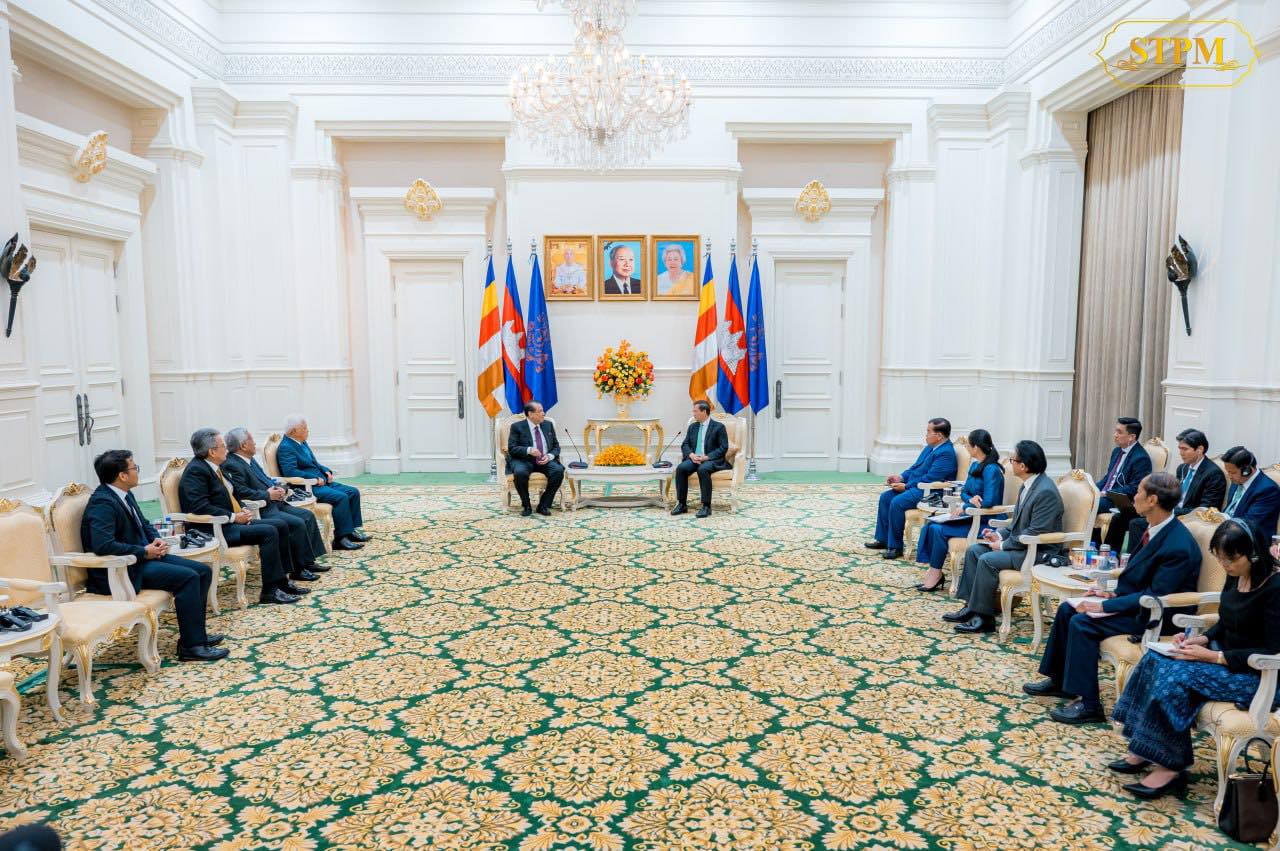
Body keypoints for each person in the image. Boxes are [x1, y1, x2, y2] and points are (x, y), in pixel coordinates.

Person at [1109, 519, 1280, 799]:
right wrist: (1202, 639)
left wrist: (1215, 656)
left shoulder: (1275, 588)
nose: (1224, 565)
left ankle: (1170, 766)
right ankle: (1145, 747)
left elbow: (1273, 651)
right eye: (1220, 558)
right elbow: (1227, 620)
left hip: (1258, 676)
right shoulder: (1237, 574)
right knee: (1154, 660)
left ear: (1254, 554)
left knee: (1175, 677)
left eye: (1231, 559)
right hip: (1226, 660)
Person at [1024, 472, 1201, 724]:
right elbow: (1140, 578)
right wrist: (1111, 593)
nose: (1133, 497)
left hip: (1156, 617)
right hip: (1137, 603)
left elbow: (1155, 596)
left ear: (1152, 500)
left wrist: (1105, 605)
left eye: (1138, 492)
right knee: (1066, 610)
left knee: (1082, 623)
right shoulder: (1154, 528)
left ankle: (1090, 705)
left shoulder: (1178, 545)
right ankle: (1061, 682)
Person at [81, 450, 228, 662]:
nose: (137, 472)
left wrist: (156, 540)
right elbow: (103, 545)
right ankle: (191, 647)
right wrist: (143, 551)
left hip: (142, 559)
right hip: (122, 570)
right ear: (122, 475)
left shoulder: (124, 494)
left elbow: (144, 524)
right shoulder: (102, 503)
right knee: (188, 578)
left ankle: (196, 635)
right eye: (134, 468)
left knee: (203, 571)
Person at [946, 440, 1063, 634]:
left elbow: (1034, 534)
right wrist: (997, 534)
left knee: (987, 560)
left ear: (1023, 466)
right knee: (974, 550)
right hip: (1022, 546)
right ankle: (971, 607)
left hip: (1037, 552)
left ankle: (984, 618)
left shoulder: (1045, 492)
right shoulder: (1028, 485)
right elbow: (1017, 524)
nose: (1011, 463)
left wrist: (1002, 545)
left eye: (1013, 460)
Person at [177, 428, 302, 605]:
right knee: (269, 531)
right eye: (222, 446)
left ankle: (282, 582)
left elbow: (231, 495)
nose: (226, 449)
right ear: (212, 451)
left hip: (230, 523)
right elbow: (199, 507)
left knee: (280, 525)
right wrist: (234, 517)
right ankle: (270, 591)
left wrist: (242, 510)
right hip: (214, 529)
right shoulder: (196, 471)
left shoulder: (213, 467)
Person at [223, 427, 328, 581]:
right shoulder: (232, 464)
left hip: (275, 503)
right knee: (297, 523)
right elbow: (241, 491)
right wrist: (267, 495)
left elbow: (265, 479)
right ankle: (297, 570)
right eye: (252, 440)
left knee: (307, 515)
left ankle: (308, 562)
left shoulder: (249, 459)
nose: (254, 443)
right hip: (262, 509)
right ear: (243, 445)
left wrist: (279, 488)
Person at [913, 429, 1005, 592]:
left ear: (975, 447)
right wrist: (971, 499)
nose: (967, 448)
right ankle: (935, 571)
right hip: (972, 516)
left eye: (968, 445)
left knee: (938, 529)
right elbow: (964, 492)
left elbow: (990, 502)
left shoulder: (992, 470)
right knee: (931, 525)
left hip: (986, 521)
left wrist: (965, 507)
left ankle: (935, 574)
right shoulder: (975, 465)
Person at [865, 418, 958, 559]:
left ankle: (895, 547)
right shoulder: (930, 447)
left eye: (928, 431)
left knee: (897, 502)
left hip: (932, 492)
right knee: (886, 498)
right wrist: (900, 478)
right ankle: (883, 540)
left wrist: (906, 486)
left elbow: (931, 478)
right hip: (918, 487)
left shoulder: (946, 453)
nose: (926, 434)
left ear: (939, 435)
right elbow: (915, 468)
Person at [276, 414, 369, 551]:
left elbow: (313, 463)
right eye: (304, 428)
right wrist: (314, 478)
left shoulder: (301, 442)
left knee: (353, 492)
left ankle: (350, 532)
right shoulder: (286, 447)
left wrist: (326, 470)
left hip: (320, 481)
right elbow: (290, 471)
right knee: (341, 497)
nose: (308, 430)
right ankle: (340, 539)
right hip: (306, 486)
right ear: (294, 431)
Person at [1127, 428, 1226, 551]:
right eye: (1180, 448)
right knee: (1127, 515)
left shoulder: (1213, 474)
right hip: (1172, 512)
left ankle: (1137, 559)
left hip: (1190, 519)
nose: (1181, 453)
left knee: (1136, 524)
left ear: (1200, 449)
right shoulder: (1182, 468)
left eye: (1185, 449)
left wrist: (1170, 511)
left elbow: (1206, 509)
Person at [1094, 417, 1153, 551]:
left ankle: (1096, 546)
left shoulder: (1141, 458)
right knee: (1087, 498)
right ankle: (1091, 544)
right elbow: (1108, 478)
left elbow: (1135, 488)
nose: (1115, 435)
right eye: (1116, 431)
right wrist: (1093, 489)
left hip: (1121, 501)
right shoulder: (1117, 451)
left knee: (1092, 504)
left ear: (1131, 437)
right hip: (1107, 495)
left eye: (1119, 432)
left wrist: (1106, 493)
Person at [671, 400, 729, 519]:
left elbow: (723, 447)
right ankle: (682, 504)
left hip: (711, 459)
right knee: (681, 468)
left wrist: (707, 457)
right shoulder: (693, 426)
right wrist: (691, 455)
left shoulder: (719, 427)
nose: (693, 414)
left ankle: (706, 506)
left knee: (703, 469)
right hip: (695, 458)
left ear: (704, 412)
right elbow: (685, 444)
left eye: (695, 411)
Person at [507, 400, 564, 516]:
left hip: (544, 460)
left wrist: (549, 456)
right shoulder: (517, 427)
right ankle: (526, 505)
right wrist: (529, 450)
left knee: (558, 471)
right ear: (530, 414)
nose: (544, 413)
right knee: (520, 473)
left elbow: (556, 446)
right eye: (540, 411)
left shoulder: (548, 425)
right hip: (524, 460)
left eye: (543, 411)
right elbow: (512, 448)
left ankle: (543, 505)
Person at [1221, 445, 1280, 538]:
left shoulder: (1268, 490)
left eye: (1233, 472)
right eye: (1228, 472)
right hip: (1228, 530)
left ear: (1247, 471)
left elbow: (1250, 522)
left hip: (1251, 539)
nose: (1229, 476)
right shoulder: (1237, 480)